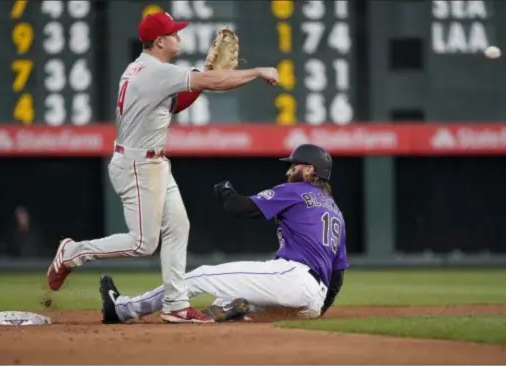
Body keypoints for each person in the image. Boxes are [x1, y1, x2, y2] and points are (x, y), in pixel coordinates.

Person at [46, 11, 280, 324]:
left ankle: (175, 304)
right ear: (159, 42)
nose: (178, 37)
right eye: (173, 34)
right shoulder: (156, 71)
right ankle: (73, 252)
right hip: (138, 165)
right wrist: (257, 71)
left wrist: (200, 84)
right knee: (143, 243)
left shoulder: (142, 69)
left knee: (178, 227)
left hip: (152, 163)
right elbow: (215, 82)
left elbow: (174, 104)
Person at [98, 144, 349, 324]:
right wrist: (318, 311)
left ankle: (122, 309)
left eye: (295, 164)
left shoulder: (297, 190)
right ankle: (232, 310)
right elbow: (337, 276)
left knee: (200, 276)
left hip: (294, 278)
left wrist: (225, 190)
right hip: (313, 299)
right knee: (227, 301)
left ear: (309, 170)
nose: (290, 168)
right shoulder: (336, 211)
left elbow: (238, 207)